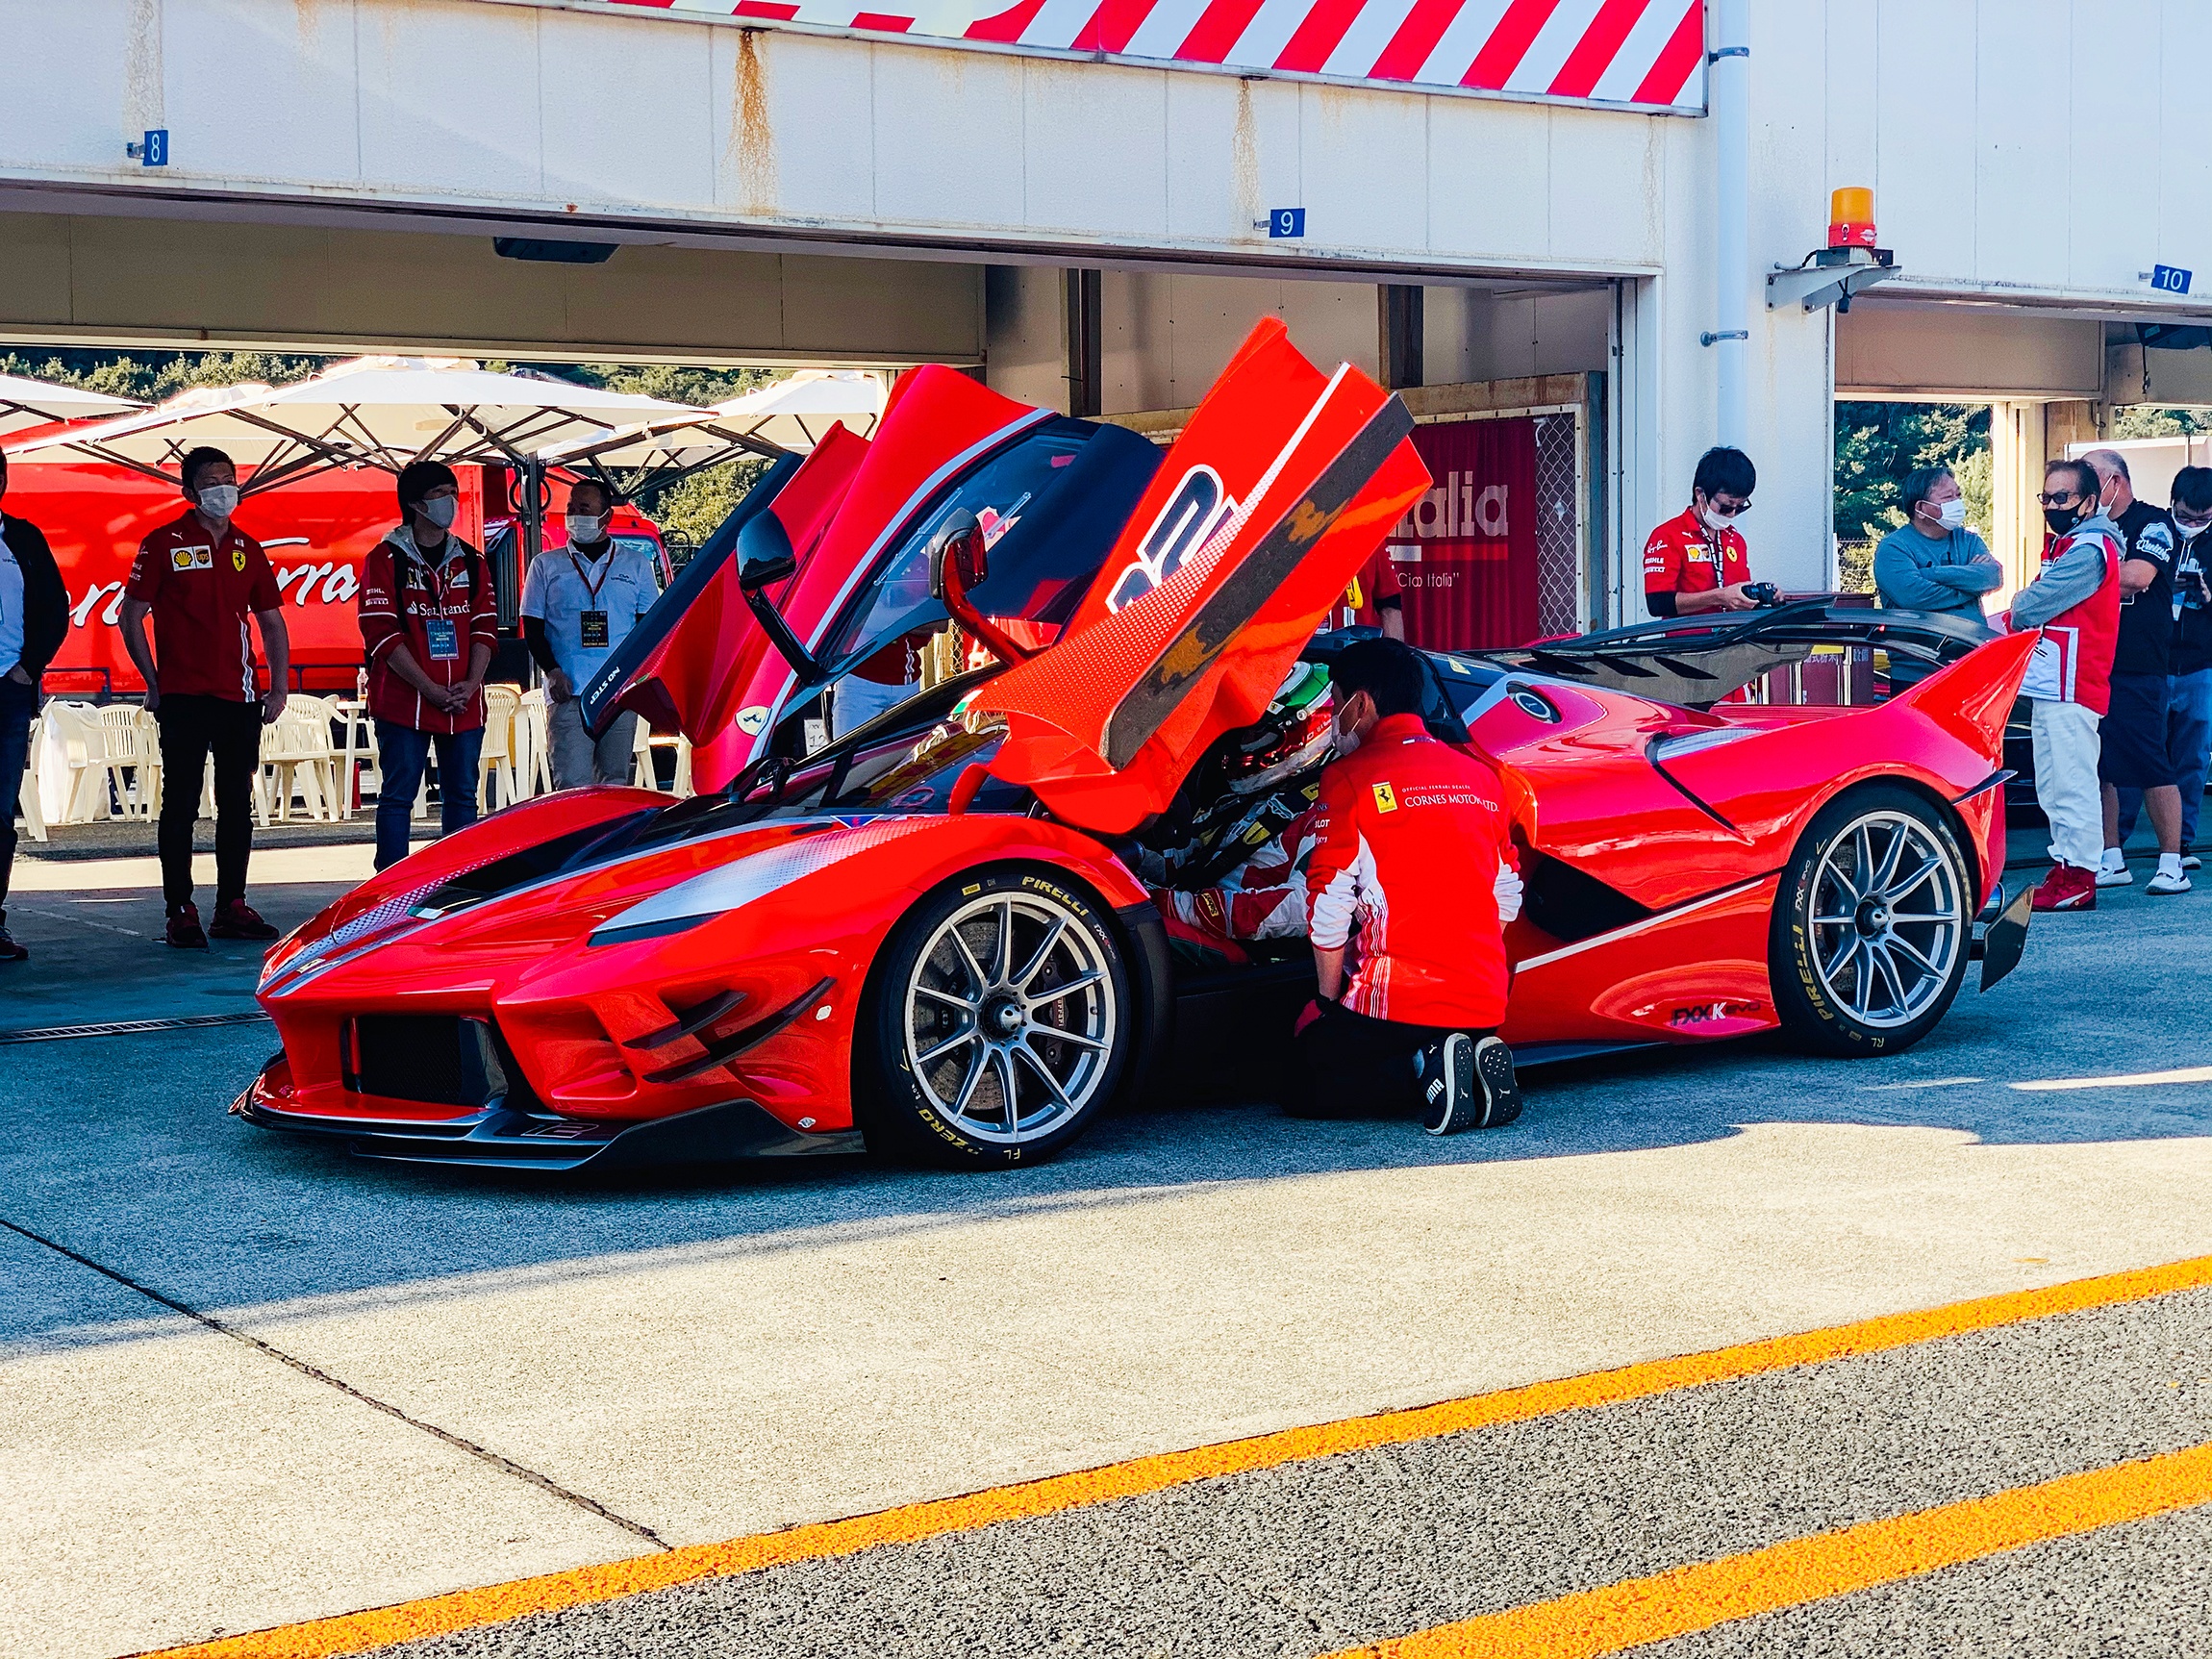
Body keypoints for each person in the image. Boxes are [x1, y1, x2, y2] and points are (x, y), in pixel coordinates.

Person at [1292, 638, 1524, 1135]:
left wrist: (1328, 1003)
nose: (1335, 715)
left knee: (1305, 1078)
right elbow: (1507, 894)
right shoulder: (1482, 777)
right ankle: (1465, 1053)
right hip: (1485, 999)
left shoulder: (1348, 777)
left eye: (1336, 700)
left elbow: (1328, 902)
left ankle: (1426, 1067)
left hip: (1397, 1003)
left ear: (1361, 704)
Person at [118, 446, 289, 949]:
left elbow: (272, 620)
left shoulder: (247, 546)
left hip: (239, 697)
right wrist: (153, 681)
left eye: (230, 479)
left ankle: (231, 905)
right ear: (189, 491)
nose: (224, 488)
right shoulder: (163, 542)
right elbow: (132, 616)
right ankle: (180, 908)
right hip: (183, 697)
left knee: (237, 804)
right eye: (212, 481)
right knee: (181, 805)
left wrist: (277, 686)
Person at [359, 461, 496, 871]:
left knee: (463, 796)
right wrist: (430, 689)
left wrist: (471, 684)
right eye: (440, 494)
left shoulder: (471, 560)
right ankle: (389, 886)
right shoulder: (385, 559)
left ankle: (456, 883)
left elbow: (485, 628)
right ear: (416, 504)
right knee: (399, 794)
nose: (450, 502)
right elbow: (382, 635)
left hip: (464, 702)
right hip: (404, 702)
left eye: (453, 492)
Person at [2007, 458, 2124, 913]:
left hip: (2075, 684)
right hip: (2055, 683)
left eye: (2062, 498)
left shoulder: (2089, 548)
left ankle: (2078, 876)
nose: (2051, 506)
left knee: (2071, 783)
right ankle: (2066, 869)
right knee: (2055, 784)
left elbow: (2032, 604)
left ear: (2089, 502)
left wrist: (2022, 601)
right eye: (2047, 497)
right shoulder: (2069, 544)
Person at [2080, 450, 2187, 894]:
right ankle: (2110, 857)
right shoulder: (2085, 529)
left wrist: (2079, 573)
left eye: (2090, 481)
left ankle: (2171, 862)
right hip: (2092, 662)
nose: (2083, 492)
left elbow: (2138, 576)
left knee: (2150, 761)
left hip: (2140, 663)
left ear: (2115, 482)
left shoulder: (2153, 523)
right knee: (2098, 763)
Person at [519, 479, 656, 789]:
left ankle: (614, 838)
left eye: (584, 509)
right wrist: (552, 672)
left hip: (618, 695)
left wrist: (634, 678)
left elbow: (648, 627)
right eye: (571, 508)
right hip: (568, 693)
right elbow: (533, 627)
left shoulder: (636, 564)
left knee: (616, 784)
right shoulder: (545, 565)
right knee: (572, 785)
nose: (575, 515)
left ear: (606, 517)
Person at [2115, 466, 2212, 873]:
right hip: (2148, 663)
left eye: (2202, 519)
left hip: (2197, 663)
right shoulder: (2152, 529)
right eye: (2185, 516)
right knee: (2134, 753)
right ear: (2172, 504)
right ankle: (2114, 844)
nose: (2191, 525)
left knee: (2191, 756)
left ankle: (2181, 843)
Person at [0, 451, 68, 962]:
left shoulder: (23, 538)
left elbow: (54, 610)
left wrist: (29, 667)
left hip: (8, 688)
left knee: (0, 813)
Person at [1872, 465, 2002, 690]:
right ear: (1921, 508)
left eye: (1958, 495)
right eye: (1947, 497)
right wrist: (1969, 586)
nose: (1957, 503)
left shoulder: (1968, 540)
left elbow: (1992, 576)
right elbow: (1914, 595)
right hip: (1916, 674)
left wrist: (1931, 574)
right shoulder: (1893, 548)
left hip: (1970, 667)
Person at [1644, 447, 1759, 617]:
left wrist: (1765, 597)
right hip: (1690, 642)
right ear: (1700, 495)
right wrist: (1719, 597)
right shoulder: (1667, 536)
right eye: (1726, 507)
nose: (1732, 514)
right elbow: (1657, 604)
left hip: (1733, 639)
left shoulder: (1735, 539)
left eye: (1740, 508)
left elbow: (1739, 597)